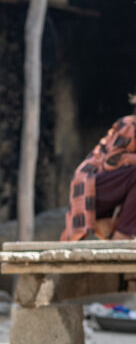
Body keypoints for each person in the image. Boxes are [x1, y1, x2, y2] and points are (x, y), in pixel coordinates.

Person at [61, 94, 136, 241]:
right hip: (91, 185)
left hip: (111, 190)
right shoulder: (130, 125)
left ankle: (121, 231)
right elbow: (110, 162)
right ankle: (122, 235)